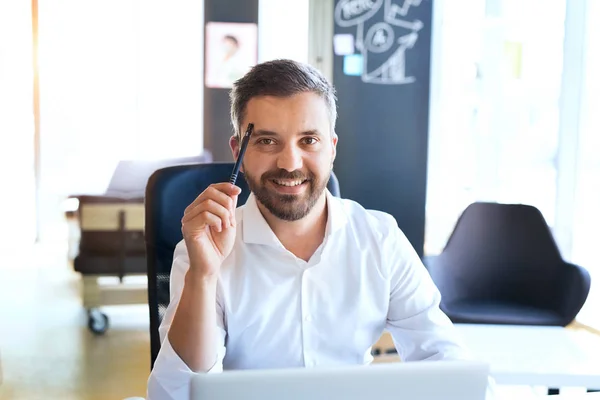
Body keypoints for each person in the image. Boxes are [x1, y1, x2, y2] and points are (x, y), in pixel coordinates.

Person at [147, 59, 474, 399]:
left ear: (331, 148)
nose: (289, 163)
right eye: (267, 142)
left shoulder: (379, 238)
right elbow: (175, 393)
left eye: (308, 140)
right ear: (239, 153)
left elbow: (446, 361)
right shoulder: (203, 250)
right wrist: (203, 275)